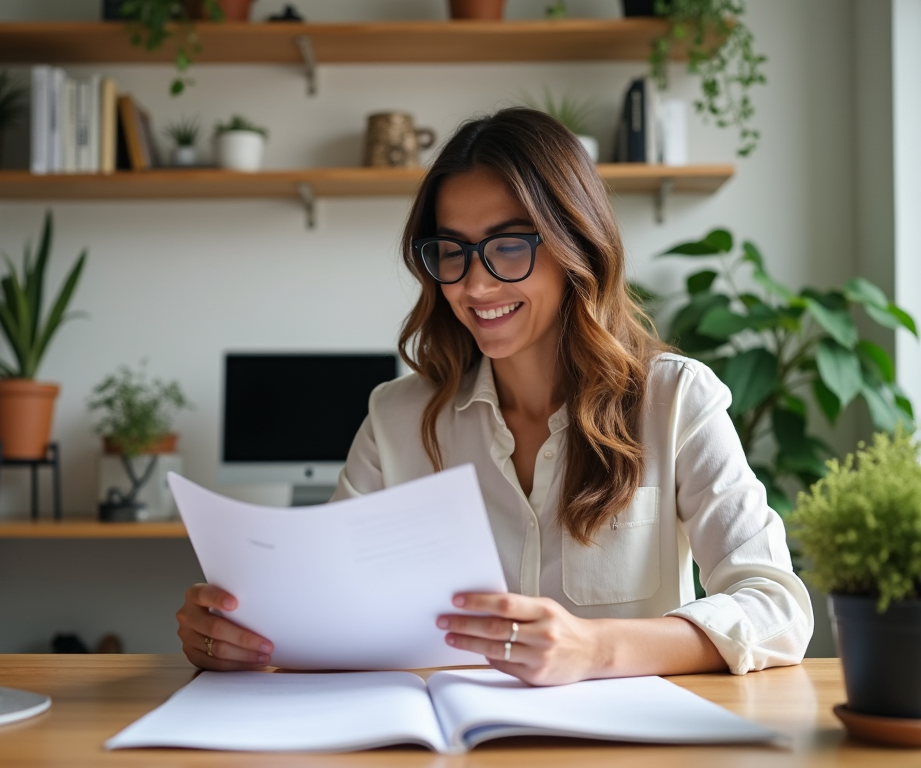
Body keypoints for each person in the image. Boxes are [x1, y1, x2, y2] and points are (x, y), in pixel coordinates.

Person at [176, 108, 813, 685]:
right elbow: (325, 608)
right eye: (450, 251)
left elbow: (777, 607)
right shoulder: (396, 420)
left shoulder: (674, 401)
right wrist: (239, 633)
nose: (474, 284)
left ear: (575, 246)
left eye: (509, 245)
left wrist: (594, 648)